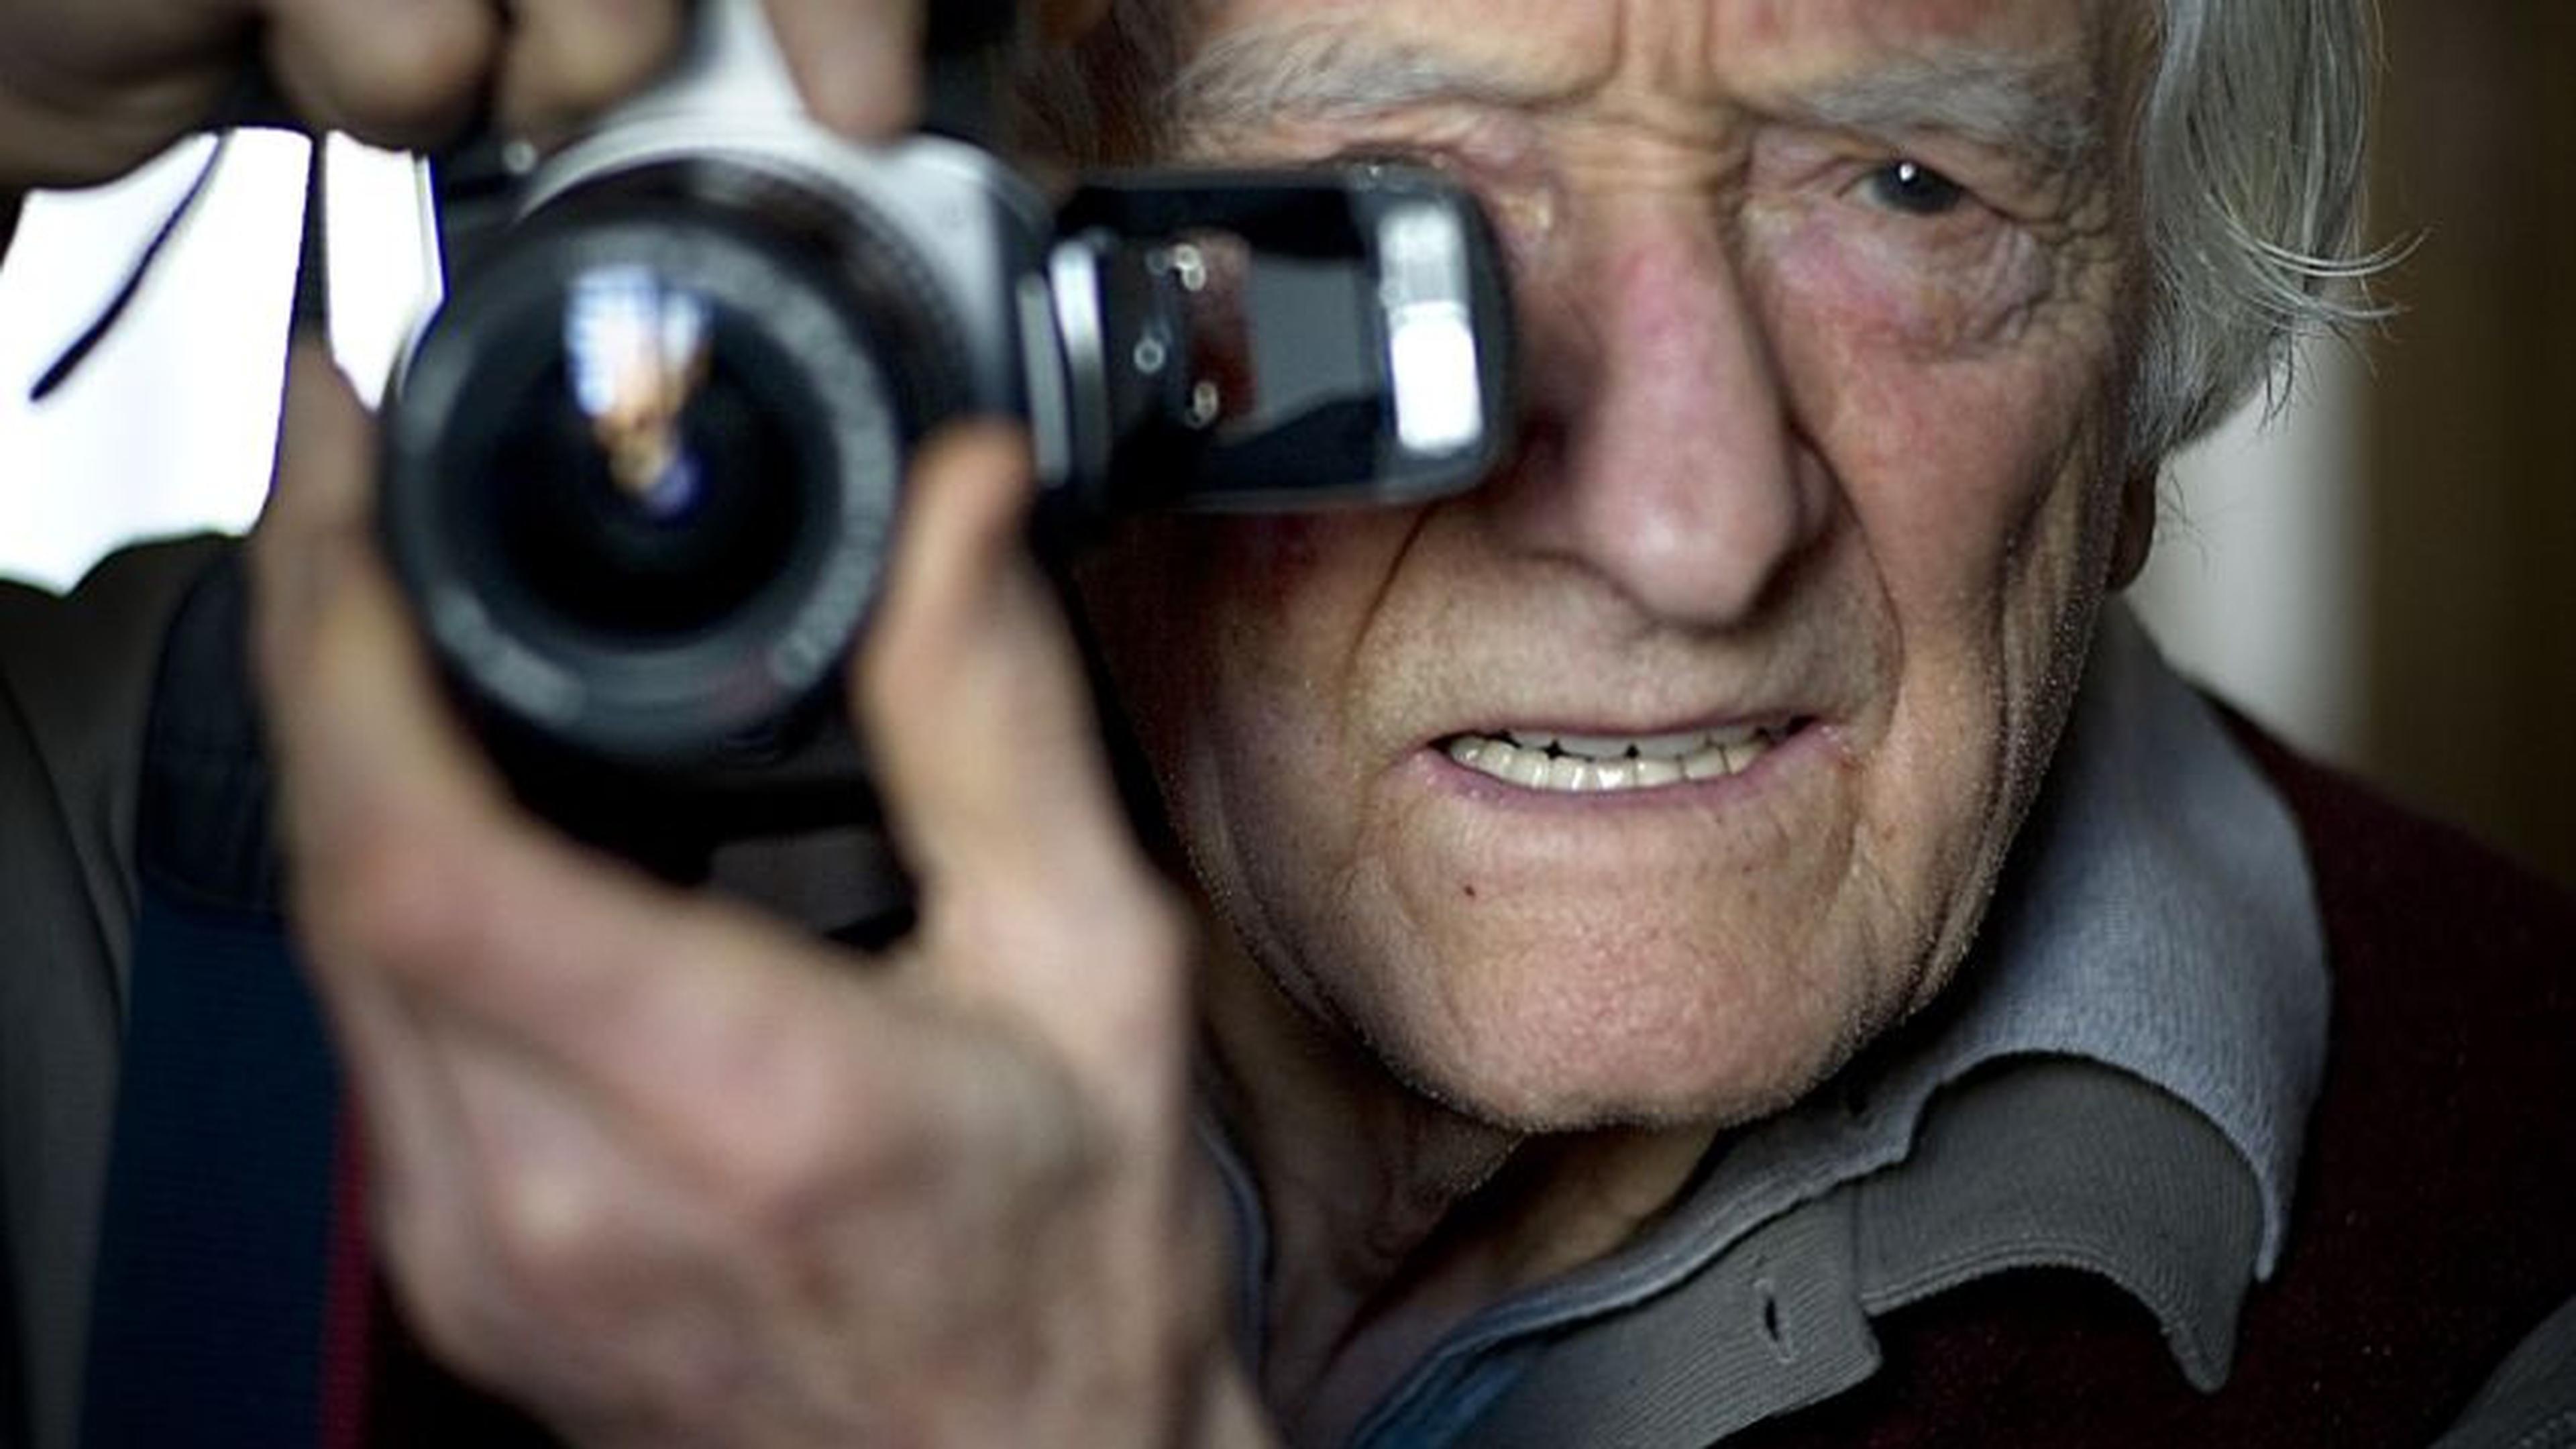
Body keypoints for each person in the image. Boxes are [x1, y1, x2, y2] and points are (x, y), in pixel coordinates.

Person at [5, 1, 2573, 1446]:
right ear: (1024, 278)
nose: (1680, 526)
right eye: (1396, 199)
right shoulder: (263, 879)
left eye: (1903, 189)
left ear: (2145, 382)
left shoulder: (2510, 1259)